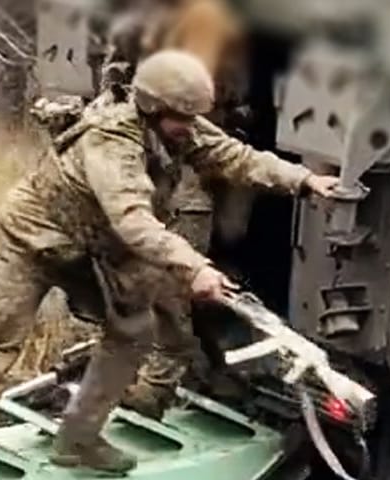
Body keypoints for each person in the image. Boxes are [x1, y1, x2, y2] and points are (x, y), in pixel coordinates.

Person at [0, 49, 338, 480]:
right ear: (152, 109)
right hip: (28, 243)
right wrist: (195, 269)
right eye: (181, 119)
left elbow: (234, 156)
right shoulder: (110, 139)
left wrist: (304, 180)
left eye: (192, 119)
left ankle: (78, 439)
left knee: (133, 329)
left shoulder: (175, 129)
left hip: (90, 247)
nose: (190, 129)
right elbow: (133, 221)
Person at [97, 0, 253, 418]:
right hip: (173, 162)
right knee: (169, 274)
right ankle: (171, 375)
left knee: (190, 269)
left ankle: (189, 371)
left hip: (202, 154)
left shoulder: (204, 21)